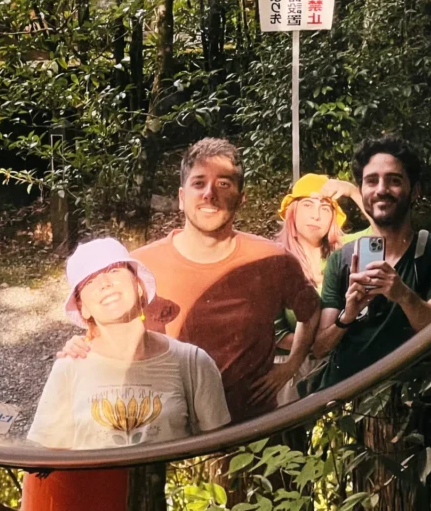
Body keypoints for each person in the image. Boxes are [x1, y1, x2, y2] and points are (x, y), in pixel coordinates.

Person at [59, 138, 321, 424]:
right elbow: (105, 330)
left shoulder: (271, 260)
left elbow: (311, 311)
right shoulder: (140, 267)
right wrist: (80, 347)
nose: (209, 194)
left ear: (241, 198)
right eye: (199, 183)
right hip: (167, 433)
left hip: (255, 432)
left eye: (224, 184)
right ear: (182, 198)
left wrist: (291, 365)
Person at [27, 236, 230, 450]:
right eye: (90, 281)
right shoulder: (69, 367)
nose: (105, 284)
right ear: (82, 307)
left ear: (139, 286)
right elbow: (50, 459)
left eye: (114, 270)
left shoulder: (192, 362)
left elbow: (215, 454)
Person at [314, 134, 431, 388]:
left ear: (414, 191)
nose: (381, 189)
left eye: (394, 180)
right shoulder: (341, 260)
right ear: (361, 192)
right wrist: (349, 314)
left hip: (417, 396)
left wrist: (403, 294)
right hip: (350, 401)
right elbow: (320, 348)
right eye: (372, 181)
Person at [273, 173, 370, 402]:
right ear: (292, 212)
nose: (316, 215)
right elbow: (275, 334)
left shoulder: (345, 250)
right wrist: (318, 343)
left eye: (325, 209)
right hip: (288, 370)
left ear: (334, 219)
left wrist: (353, 191)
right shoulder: (272, 258)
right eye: (307, 205)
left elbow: (384, 229)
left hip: (341, 364)